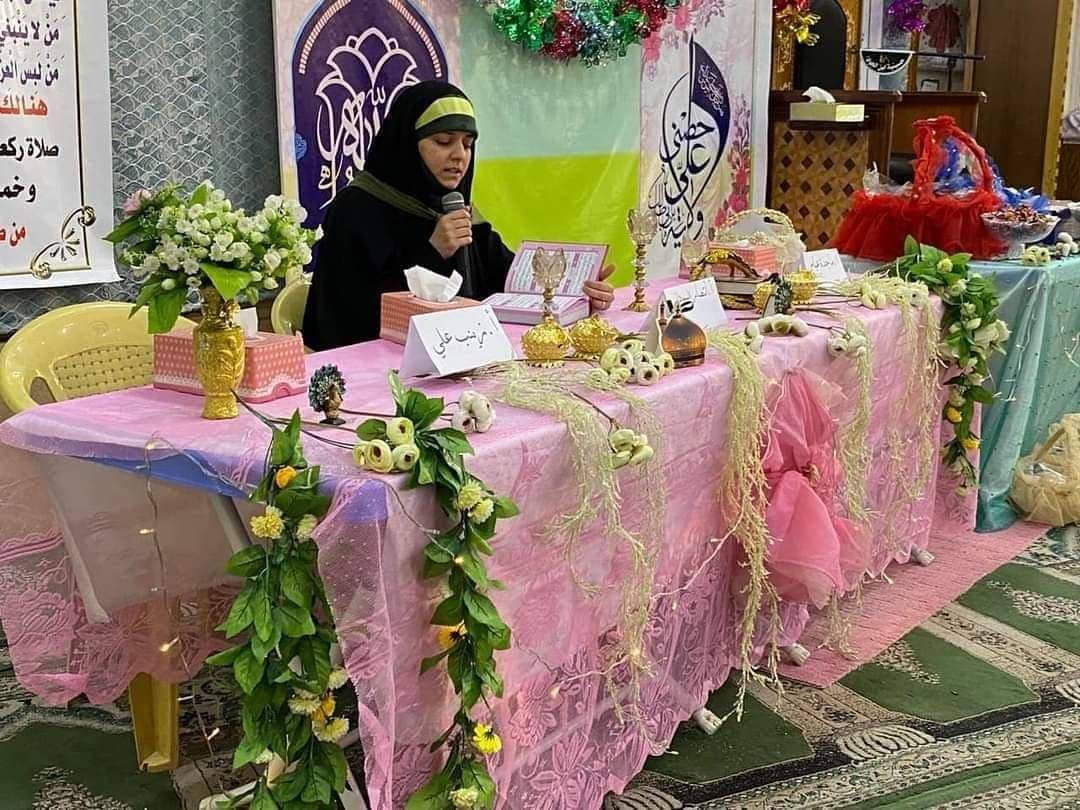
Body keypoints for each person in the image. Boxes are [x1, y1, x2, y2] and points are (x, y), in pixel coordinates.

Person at [303, 81, 615, 351]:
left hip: (464, 360)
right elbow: (347, 315)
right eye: (443, 141)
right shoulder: (356, 209)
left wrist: (572, 287)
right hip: (378, 371)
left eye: (467, 145)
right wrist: (432, 252)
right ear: (408, 144)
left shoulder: (454, 206)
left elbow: (507, 276)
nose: (459, 156)